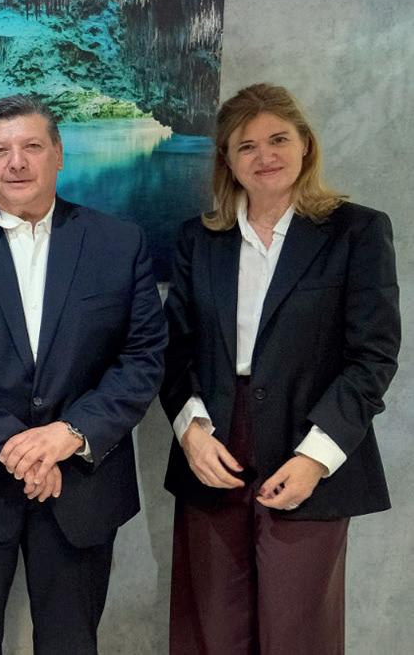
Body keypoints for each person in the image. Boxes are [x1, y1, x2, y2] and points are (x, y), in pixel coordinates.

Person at [0, 94, 166, 654]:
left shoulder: (119, 243)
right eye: (0, 151)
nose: (16, 162)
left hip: (81, 487)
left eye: (31, 147)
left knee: (72, 644)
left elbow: (142, 356)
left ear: (59, 154)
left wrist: (68, 436)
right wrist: (15, 448)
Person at [160, 83, 399, 654]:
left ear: (305, 144)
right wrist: (191, 433)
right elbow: (174, 349)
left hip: (310, 444)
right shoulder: (199, 239)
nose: (264, 156)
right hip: (214, 446)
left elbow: (372, 357)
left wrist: (316, 458)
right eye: (246, 146)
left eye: (278, 139)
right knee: (213, 628)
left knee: (297, 632)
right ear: (227, 160)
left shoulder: (357, 232)